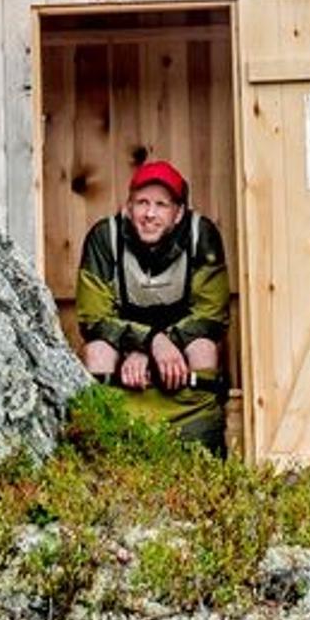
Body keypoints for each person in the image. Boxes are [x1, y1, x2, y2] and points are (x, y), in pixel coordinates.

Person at [75, 158, 231, 451]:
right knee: (95, 352)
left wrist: (162, 345)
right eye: (141, 203)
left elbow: (211, 316)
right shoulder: (104, 238)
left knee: (204, 348)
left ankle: (199, 447)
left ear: (178, 213)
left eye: (161, 205)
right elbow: (92, 318)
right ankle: (107, 446)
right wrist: (146, 342)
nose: (149, 213)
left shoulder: (201, 235)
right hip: (124, 352)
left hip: (181, 352)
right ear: (128, 208)